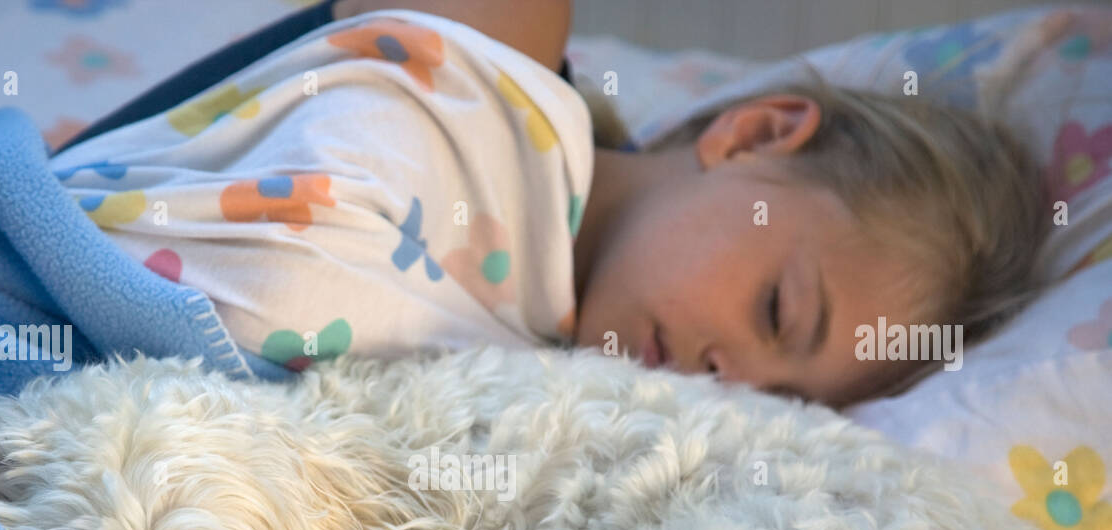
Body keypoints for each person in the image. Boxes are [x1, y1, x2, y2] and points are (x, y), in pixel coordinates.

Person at [52, 0, 1046, 405]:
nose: (728, 377)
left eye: (779, 403)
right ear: (752, 134)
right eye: (777, 311)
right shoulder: (502, 54)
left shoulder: (534, 409)